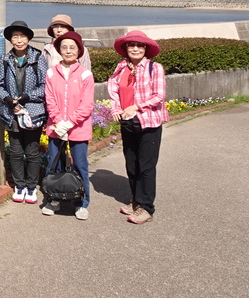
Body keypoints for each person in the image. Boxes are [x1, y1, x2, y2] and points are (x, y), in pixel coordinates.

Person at [107, 30, 167, 225]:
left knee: (146, 167)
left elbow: (159, 95)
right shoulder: (121, 67)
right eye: (131, 45)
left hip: (149, 122)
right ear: (125, 48)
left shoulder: (154, 68)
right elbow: (113, 88)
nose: (135, 48)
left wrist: (136, 106)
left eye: (139, 45)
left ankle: (146, 207)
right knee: (132, 165)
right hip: (128, 122)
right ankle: (136, 201)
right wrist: (116, 107)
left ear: (146, 49)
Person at [0, 20, 48, 205]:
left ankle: (31, 187)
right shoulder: (5, 60)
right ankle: (19, 185)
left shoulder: (38, 57)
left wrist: (26, 97)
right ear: (10, 40)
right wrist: (8, 100)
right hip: (11, 112)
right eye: (15, 37)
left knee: (32, 151)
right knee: (16, 152)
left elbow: (44, 85)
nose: (19, 40)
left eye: (22, 36)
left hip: (32, 112)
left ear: (28, 38)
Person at [42, 31, 95, 220]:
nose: (68, 51)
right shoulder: (51, 72)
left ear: (79, 50)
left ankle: (82, 203)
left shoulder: (85, 74)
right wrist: (58, 122)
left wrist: (69, 123)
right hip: (56, 128)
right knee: (53, 163)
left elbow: (87, 104)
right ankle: (53, 199)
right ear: (59, 50)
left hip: (78, 129)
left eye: (72, 47)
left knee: (80, 165)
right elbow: (49, 99)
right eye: (64, 47)